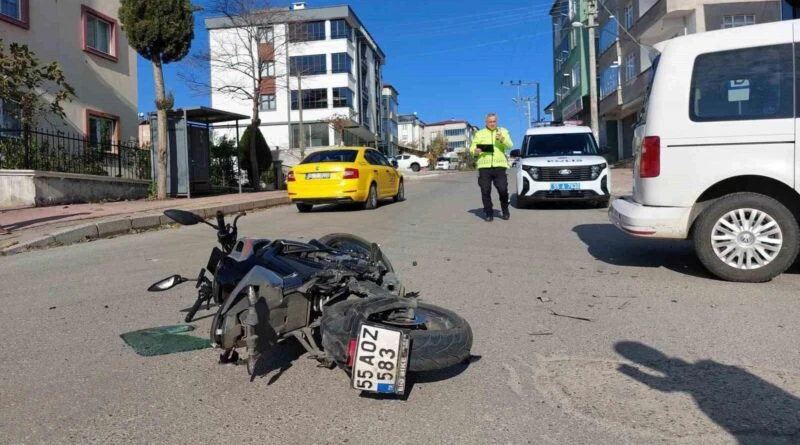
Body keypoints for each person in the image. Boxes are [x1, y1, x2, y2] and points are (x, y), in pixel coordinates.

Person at [469, 112, 513, 221]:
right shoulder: (479, 133)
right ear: (486, 122)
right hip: (484, 167)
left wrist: (502, 139)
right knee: (485, 190)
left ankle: (505, 209)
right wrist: (475, 151)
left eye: (494, 121)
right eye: (490, 122)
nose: (492, 123)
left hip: (499, 166)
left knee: (503, 190)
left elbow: (510, 145)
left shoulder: (503, 131)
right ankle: (489, 213)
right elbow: (472, 148)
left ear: (496, 122)